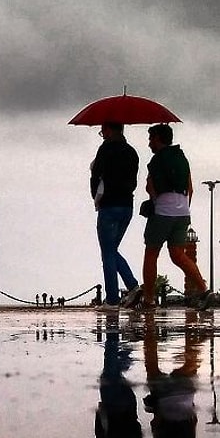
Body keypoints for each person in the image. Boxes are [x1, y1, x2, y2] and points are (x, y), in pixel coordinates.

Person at [139, 124, 210, 310]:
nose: (149, 143)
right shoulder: (182, 158)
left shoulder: (156, 161)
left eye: (151, 139)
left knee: (151, 253)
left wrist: (155, 202)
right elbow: (190, 187)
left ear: (158, 139)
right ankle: (203, 290)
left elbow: (151, 188)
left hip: (163, 212)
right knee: (178, 255)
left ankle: (149, 299)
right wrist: (183, 208)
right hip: (183, 212)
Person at [90, 121, 141, 308]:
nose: (102, 134)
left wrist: (95, 197)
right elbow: (134, 182)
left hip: (109, 205)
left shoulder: (105, 150)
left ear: (109, 130)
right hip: (127, 205)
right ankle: (133, 287)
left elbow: (95, 176)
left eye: (102, 131)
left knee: (108, 253)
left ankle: (113, 298)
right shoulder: (131, 152)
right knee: (111, 250)